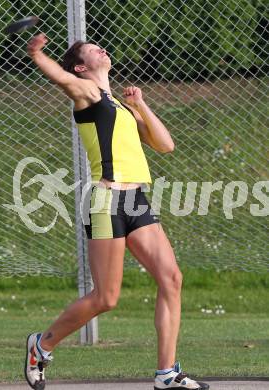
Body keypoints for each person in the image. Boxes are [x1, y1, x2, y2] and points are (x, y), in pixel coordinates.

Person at [24, 33, 209, 390]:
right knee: (105, 298)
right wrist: (37, 54)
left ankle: (167, 372)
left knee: (172, 278)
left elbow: (165, 145)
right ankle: (41, 345)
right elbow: (60, 78)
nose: (101, 48)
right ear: (81, 66)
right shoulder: (87, 95)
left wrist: (141, 104)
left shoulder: (121, 108)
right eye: (92, 50)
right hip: (106, 200)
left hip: (136, 200)